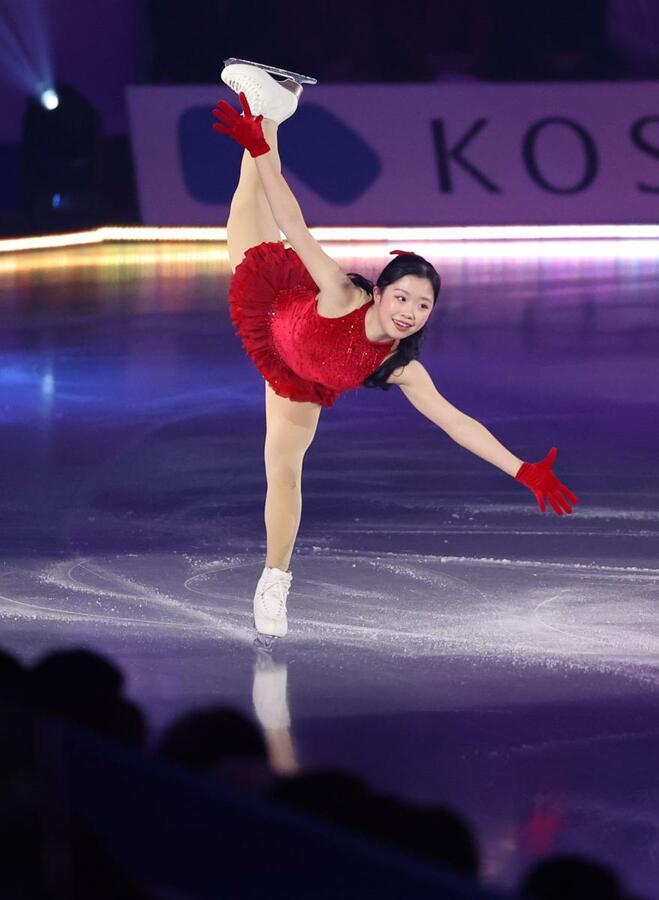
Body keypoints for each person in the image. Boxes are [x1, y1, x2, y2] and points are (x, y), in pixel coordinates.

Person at [212, 62, 580, 648]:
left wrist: (522, 468)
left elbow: (456, 423)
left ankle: (273, 581)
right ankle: (266, 114)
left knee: (282, 472)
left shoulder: (401, 367)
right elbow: (293, 224)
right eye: (402, 297)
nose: (408, 311)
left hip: (296, 377)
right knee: (249, 197)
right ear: (380, 292)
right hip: (275, 300)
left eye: (422, 305)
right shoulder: (340, 292)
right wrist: (258, 151)